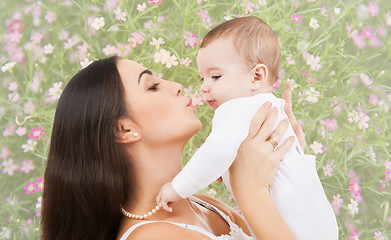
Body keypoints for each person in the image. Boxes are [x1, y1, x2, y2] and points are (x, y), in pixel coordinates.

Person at [41, 55, 304, 240]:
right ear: (124, 129)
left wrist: (289, 166)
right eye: (153, 86)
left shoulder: (205, 206)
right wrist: (252, 192)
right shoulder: (152, 237)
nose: (177, 87)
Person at [156, 17, 338, 240]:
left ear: (256, 76)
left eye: (215, 76)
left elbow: (217, 152)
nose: (204, 87)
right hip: (315, 223)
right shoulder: (269, 106)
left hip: (291, 227)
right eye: (202, 77)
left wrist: (176, 188)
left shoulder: (236, 108)